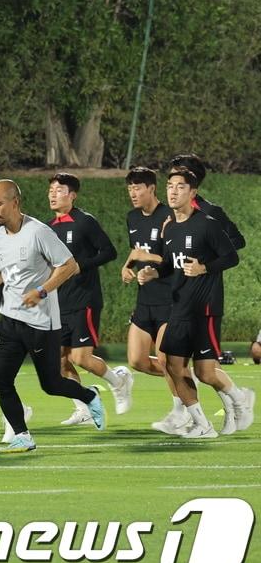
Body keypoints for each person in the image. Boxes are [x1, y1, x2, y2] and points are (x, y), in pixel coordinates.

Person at [0, 180, 104, 453]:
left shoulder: (39, 232)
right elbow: (1, 273)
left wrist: (41, 291)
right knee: (2, 381)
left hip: (42, 322)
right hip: (9, 321)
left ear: (15, 202)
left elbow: (68, 265)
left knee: (51, 384)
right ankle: (22, 435)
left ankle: (89, 395)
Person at [142, 168, 254, 438]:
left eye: (180, 187)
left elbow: (231, 257)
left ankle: (239, 400)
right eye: (170, 186)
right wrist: (154, 272)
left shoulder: (207, 223)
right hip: (179, 307)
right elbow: (171, 265)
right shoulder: (169, 228)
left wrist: (204, 268)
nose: (173, 191)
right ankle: (202, 425)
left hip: (205, 308)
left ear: (192, 193)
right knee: (172, 365)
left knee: (205, 372)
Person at [46, 172, 132, 424]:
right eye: (51, 190)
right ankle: (83, 407)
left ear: (72, 195)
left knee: (80, 357)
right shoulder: (48, 228)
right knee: (58, 361)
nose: (53, 194)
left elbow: (109, 251)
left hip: (84, 299)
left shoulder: (85, 222)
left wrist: (80, 266)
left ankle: (119, 381)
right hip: (58, 303)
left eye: (59, 190)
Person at [119, 166, 187, 432]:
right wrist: (128, 266)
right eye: (130, 189)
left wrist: (150, 261)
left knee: (167, 359)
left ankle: (181, 410)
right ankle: (185, 382)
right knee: (137, 360)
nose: (133, 194)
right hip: (144, 301)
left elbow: (173, 259)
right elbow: (135, 251)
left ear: (151, 189)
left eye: (138, 188)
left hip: (170, 299)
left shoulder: (169, 216)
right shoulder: (132, 218)